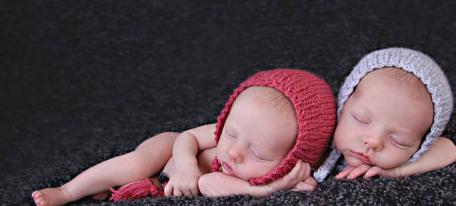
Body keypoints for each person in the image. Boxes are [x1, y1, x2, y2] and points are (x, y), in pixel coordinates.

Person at [32, 69, 337, 206]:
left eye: (259, 155)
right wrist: (186, 163)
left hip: (172, 179)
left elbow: (211, 185)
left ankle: (117, 190)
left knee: (142, 182)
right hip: (170, 152)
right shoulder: (224, 136)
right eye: (231, 132)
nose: (233, 153)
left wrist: (274, 188)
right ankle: (69, 191)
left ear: (293, 160)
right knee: (137, 164)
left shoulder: (291, 173)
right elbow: (188, 140)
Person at [314, 47, 456, 182]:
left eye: (398, 140)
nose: (374, 141)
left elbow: (449, 149)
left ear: (424, 143)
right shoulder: (316, 130)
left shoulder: (416, 155)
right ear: (343, 104)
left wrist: (398, 171)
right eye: (361, 119)